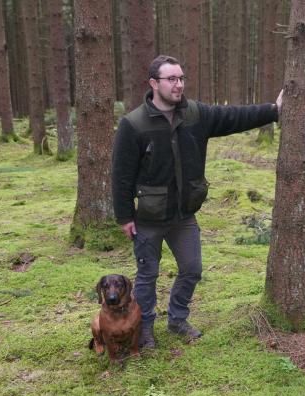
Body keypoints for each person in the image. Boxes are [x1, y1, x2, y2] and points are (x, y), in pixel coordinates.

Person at [112, 55, 283, 349]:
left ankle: (177, 320)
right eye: (172, 79)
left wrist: (273, 111)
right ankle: (145, 329)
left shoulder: (195, 115)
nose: (178, 85)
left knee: (192, 269)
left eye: (181, 78)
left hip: (183, 215)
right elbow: (121, 174)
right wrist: (124, 216)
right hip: (148, 218)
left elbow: (234, 117)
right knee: (147, 275)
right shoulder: (134, 124)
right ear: (154, 83)